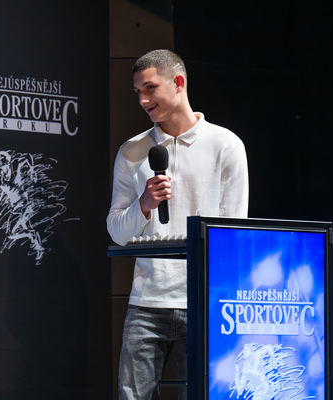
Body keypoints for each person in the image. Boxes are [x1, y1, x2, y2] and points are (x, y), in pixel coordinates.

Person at [107, 49, 249, 400]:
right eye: (137, 91)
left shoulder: (225, 145)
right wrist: (144, 203)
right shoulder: (132, 152)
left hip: (204, 301)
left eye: (150, 88)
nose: (143, 100)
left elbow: (234, 233)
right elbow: (116, 232)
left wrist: (222, 299)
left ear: (178, 83)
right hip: (146, 301)